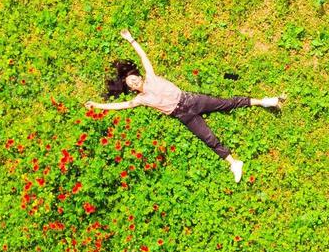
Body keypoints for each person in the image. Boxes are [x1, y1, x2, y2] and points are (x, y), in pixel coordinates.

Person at [84, 30, 283, 182]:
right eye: (130, 84)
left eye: (133, 78)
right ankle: (234, 163)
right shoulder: (139, 100)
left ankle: (264, 101)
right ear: (131, 88)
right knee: (208, 138)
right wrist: (97, 105)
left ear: (137, 75)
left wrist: (131, 39)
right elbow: (120, 106)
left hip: (190, 100)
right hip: (182, 115)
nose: (134, 82)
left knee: (226, 103)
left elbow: (144, 57)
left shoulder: (151, 76)